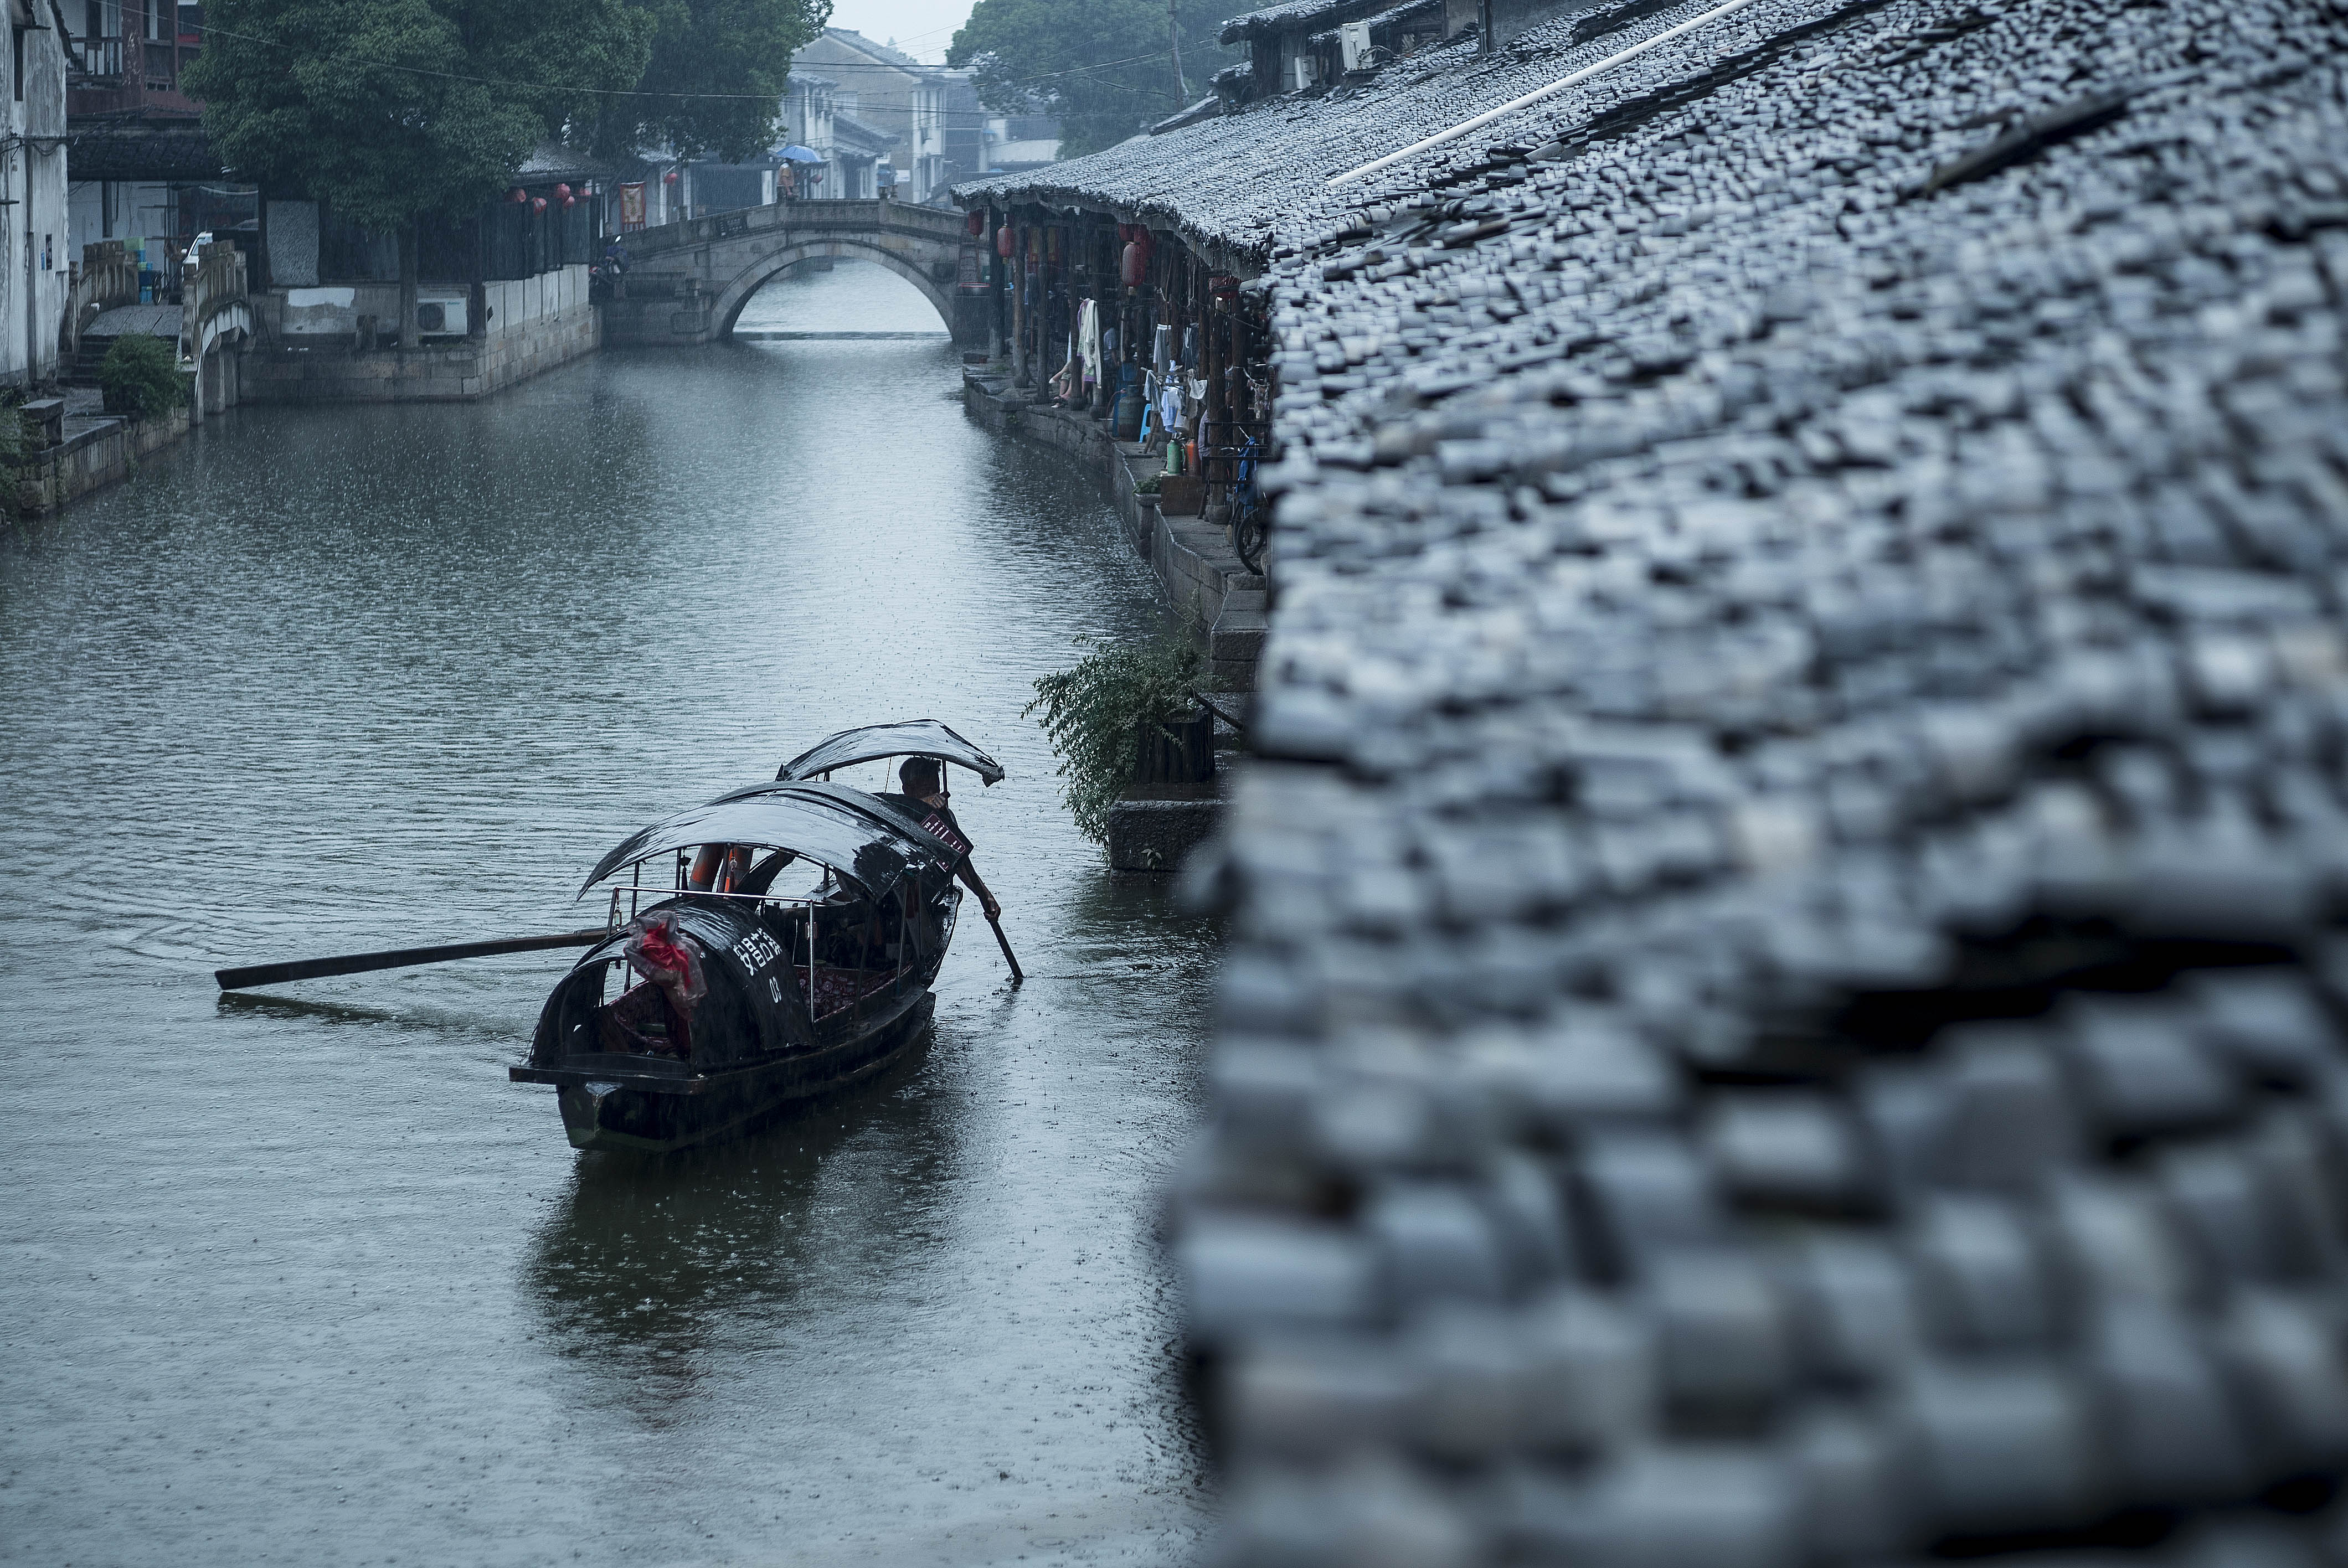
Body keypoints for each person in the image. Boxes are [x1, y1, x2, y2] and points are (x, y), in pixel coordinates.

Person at [882, 756, 1000, 922]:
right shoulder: (894, 813)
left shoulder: (944, 817)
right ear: (907, 790)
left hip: (926, 894)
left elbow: (961, 864)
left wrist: (986, 895)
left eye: (935, 790)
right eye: (926, 792)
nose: (934, 797)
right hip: (895, 897)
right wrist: (921, 806)